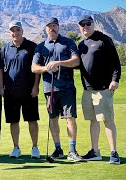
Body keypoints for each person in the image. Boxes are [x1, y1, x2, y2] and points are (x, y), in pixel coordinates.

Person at [32, 17, 82, 161]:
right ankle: (58, 149)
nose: (51, 28)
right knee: (53, 119)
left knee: (70, 118)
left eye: (54, 26)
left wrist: (59, 63)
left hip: (66, 87)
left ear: (58, 27)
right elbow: (34, 68)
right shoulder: (40, 47)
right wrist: (47, 67)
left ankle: (72, 150)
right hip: (49, 89)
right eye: (49, 26)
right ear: (46, 28)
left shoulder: (68, 42)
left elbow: (76, 60)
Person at [77, 15, 121, 164]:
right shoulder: (81, 44)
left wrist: (115, 80)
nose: (85, 27)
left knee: (107, 120)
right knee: (93, 121)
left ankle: (113, 152)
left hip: (103, 89)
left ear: (93, 24)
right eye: (82, 25)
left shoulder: (103, 39)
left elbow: (115, 61)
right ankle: (95, 151)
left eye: (88, 24)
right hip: (88, 89)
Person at [0, 20, 41, 158]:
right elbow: (0, 69)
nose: (15, 33)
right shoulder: (5, 48)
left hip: (29, 91)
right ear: (9, 32)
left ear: (22, 31)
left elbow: (37, 69)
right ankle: (16, 148)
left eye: (18, 30)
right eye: (13, 30)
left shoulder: (32, 47)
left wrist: (36, 86)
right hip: (10, 92)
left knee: (32, 120)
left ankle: (35, 148)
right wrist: (2, 87)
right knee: (13, 121)